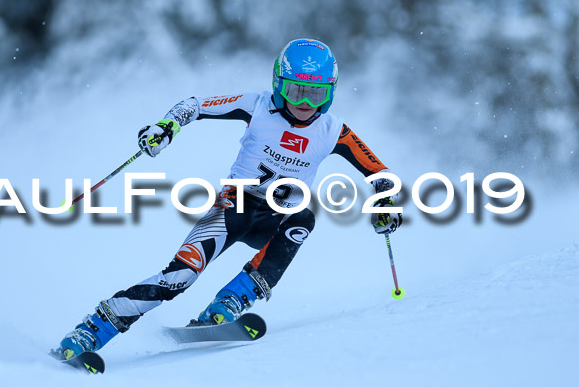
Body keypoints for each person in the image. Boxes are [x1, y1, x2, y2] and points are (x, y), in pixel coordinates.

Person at [53, 38, 402, 359]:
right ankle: (92, 330)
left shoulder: (332, 130)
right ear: (279, 84)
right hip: (233, 207)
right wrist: (165, 127)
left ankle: (231, 300)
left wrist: (386, 203)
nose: (304, 104)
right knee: (179, 279)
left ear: (330, 93)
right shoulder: (258, 106)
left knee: (303, 216)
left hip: (277, 217)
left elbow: (380, 172)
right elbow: (195, 106)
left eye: (315, 94)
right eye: (296, 91)